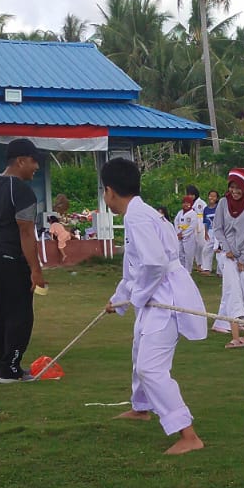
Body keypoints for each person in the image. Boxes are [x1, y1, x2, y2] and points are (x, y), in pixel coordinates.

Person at [101, 157, 207, 455]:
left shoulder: (138, 217)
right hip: (156, 296)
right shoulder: (139, 213)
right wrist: (118, 301)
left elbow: (154, 263)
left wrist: (135, 298)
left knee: (150, 367)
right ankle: (141, 407)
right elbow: (133, 268)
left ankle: (188, 435)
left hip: (166, 299)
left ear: (109, 191)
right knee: (139, 352)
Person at [0, 139, 46, 382]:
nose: (36, 166)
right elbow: (26, 232)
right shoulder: (21, 190)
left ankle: (0, 368)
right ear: (20, 161)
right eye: (33, 161)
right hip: (10, 258)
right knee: (20, 315)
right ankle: (12, 368)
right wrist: (35, 270)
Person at [210, 167, 244, 349]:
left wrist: (243, 257)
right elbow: (218, 228)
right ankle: (235, 336)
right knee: (232, 292)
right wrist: (227, 249)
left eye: (238, 187)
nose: (235, 191)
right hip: (229, 256)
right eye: (232, 187)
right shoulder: (224, 203)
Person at [173, 188, 205, 275]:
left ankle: (188, 271)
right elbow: (176, 222)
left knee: (189, 255)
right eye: (184, 203)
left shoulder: (193, 213)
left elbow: (192, 226)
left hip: (189, 236)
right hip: (180, 235)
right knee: (180, 253)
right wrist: (178, 232)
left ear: (190, 204)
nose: (186, 205)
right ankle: (181, 269)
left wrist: (184, 234)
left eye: (188, 203)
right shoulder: (180, 213)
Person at [199, 189, 220, 275]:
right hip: (210, 231)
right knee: (206, 249)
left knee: (219, 251)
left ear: (217, 198)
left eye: (214, 196)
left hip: (218, 231)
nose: (212, 197)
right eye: (210, 195)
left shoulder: (219, 208)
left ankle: (221, 271)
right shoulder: (206, 209)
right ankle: (207, 269)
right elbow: (206, 222)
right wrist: (206, 232)